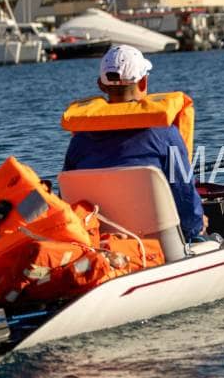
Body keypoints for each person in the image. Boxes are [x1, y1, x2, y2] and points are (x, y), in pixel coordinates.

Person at [62, 44, 204, 240]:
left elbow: (66, 198)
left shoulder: (79, 142)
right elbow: (184, 194)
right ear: (143, 82)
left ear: (101, 85)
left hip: (100, 244)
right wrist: (196, 227)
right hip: (161, 245)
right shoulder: (166, 134)